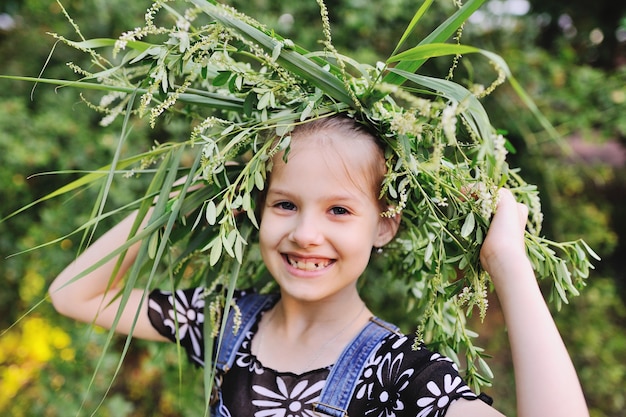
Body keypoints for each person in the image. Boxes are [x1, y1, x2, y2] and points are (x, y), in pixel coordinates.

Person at [49, 115, 590, 417]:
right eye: (285, 204)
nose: (306, 233)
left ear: (384, 225)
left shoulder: (399, 375)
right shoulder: (224, 323)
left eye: (339, 210)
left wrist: (509, 265)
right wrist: (184, 192)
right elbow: (75, 296)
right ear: (255, 206)